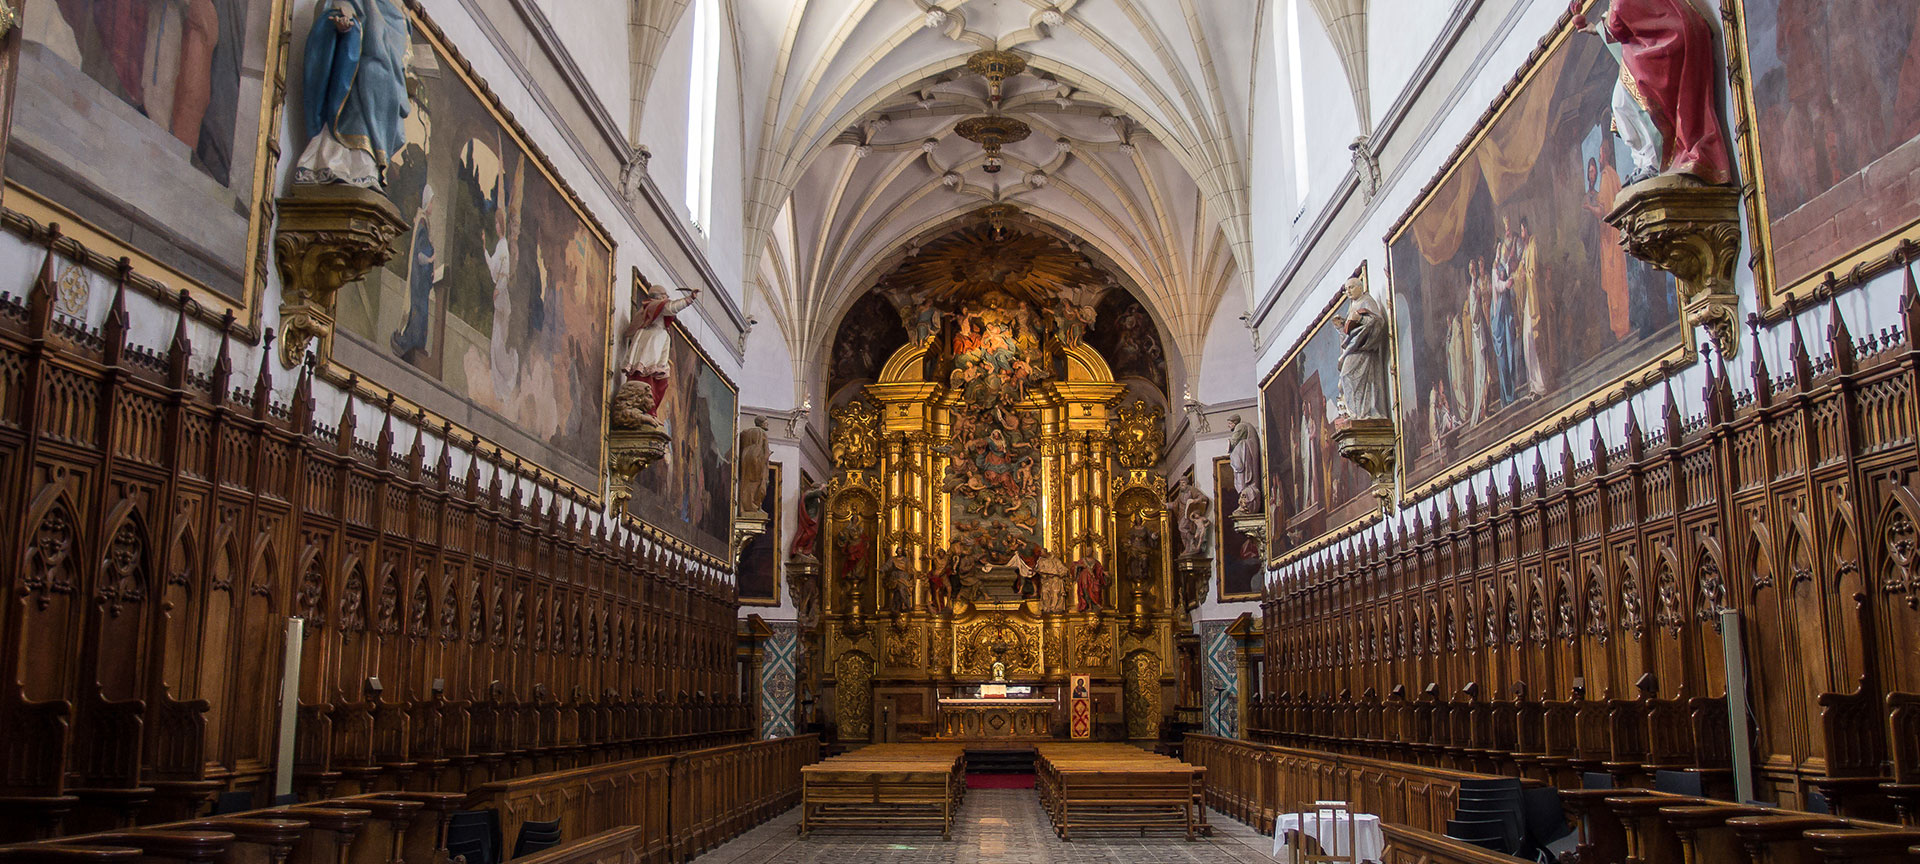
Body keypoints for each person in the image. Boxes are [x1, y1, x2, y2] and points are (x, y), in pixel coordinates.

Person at [1572, 0, 1732, 186]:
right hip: (1649, 48)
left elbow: (1618, 19)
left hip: (1658, 47)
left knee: (1629, 105)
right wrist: (1597, 28)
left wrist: (1599, 26)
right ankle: (1644, 161)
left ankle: (1653, 163)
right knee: (1621, 104)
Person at [295, 0, 412, 189]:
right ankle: (337, 163)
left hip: (387, 79)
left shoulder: (401, 9)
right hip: (359, 71)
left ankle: (367, 169)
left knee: (379, 106)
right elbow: (336, 8)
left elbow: (403, 51)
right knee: (355, 109)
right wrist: (344, 19)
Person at [619, 279, 700, 415]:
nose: (667, 298)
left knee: (658, 377)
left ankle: (650, 409)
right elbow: (672, 307)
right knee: (649, 374)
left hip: (657, 340)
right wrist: (689, 299)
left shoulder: (650, 308)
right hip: (652, 341)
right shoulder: (655, 306)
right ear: (661, 297)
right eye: (666, 296)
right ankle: (647, 409)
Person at [1335, 276, 1390, 420]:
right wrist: (1341, 325)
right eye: (1346, 289)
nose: (1349, 291)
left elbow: (1377, 323)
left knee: (1348, 376)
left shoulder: (1367, 301)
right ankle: (1356, 413)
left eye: (1351, 287)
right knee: (1345, 379)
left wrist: (1359, 319)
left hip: (1363, 350)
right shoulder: (1353, 304)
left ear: (1360, 287)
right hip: (1353, 349)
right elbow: (1349, 335)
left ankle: (1362, 414)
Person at [1227, 414, 1263, 515]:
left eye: (1230, 423)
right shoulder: (1247, 427)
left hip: (1246, 459)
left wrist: (1230, 445)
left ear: (1234, 422)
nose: (1229, 426)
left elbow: (1233, 441)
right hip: (1246, 458)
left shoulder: (1240, 427)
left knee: (1245, 480)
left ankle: (1248, 504)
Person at [738, 417, 771, 516]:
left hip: (746, 459)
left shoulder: (746, 433)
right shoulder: (761, 433)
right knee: (760, 484)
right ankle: (753, 506)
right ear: (761, 423)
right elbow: (764, 450)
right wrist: (765, 460)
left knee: (747, 484)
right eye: (766, 422)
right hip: (757, 460)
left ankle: (747, 506)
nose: (767, 424)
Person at [789, 476, 825, 558]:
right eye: (818, 488)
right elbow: (817, 493)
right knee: (809, 533)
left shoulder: (814, 496)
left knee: (813, 534)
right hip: (809, 517)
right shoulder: (809, 493)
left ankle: (807, 551)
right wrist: (822, 488)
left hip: (814, 518)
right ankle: (799, 548)